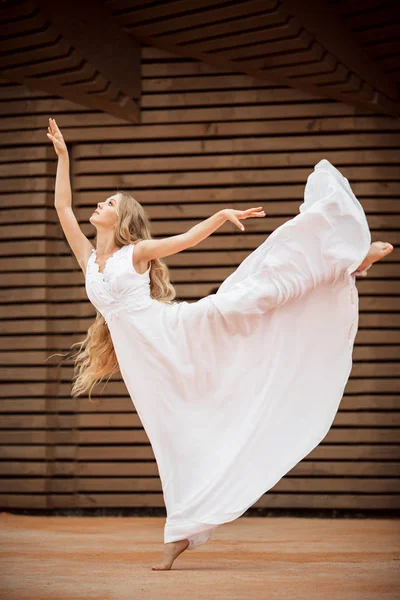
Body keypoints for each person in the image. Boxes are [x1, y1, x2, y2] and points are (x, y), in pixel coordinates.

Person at [47, 117, 393, 571]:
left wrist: (221, 216)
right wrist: (64, 158)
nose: (99, 205)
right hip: (148, 367)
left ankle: (339, 264)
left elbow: (185, 240)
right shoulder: (89, 259)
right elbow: (62, 209)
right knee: (172, 436)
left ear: (122, 218)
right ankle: (183, 530)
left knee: (242, 300)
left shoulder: (137, 253)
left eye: (108, 202)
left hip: (174, 331)